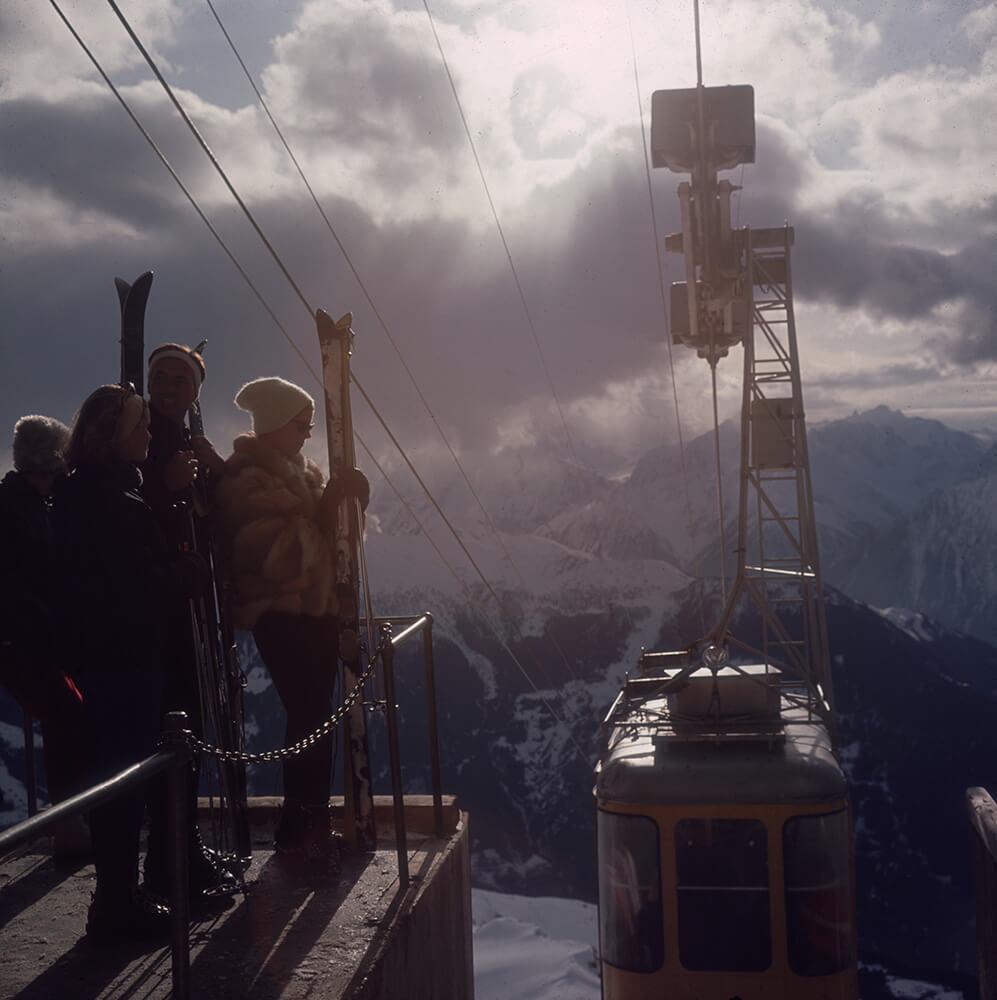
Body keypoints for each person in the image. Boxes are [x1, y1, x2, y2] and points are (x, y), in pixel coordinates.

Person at [53, 383, 202, 942]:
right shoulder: (108, 501)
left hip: (109, 656)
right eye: (138, 427)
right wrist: (181, 574)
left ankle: (119, 895)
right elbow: (126, 585)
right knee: (122, 782)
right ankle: (116, 903)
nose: (148, 435)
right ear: (114, 437)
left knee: (121, 780)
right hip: (123, 658)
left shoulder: (92, 493)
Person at [215, 377, 369, 862]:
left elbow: (333, 548)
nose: (307, 434)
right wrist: (328, 510)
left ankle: (305, 821)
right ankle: (305, 827)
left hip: (314, 613)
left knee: (314, 714)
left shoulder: (300, 471)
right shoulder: (247, 478)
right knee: (309, 712)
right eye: (301, 425)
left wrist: (350, 508)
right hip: (280, 615)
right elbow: (276, 556)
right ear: (277, 425)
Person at [138, 343, 236, 903]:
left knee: (189, 732)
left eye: (181, 377)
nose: (170, 385)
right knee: (175, 732)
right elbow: (135, 518)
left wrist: (214, 476)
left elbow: (211, 521)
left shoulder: (181, 440)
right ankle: (169, 864)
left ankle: (183, 850)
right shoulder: (141, 438)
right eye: (162, 376)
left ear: (196, 389)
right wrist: (168, 487)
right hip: (164, 616)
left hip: (191, 609)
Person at [0, 415, 89, 855]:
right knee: (67, 719)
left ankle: (69, 823)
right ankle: (69, 825)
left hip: (27, 640)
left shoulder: (16, 503)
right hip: (29, 642)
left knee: (64, 720)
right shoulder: (23, 511)